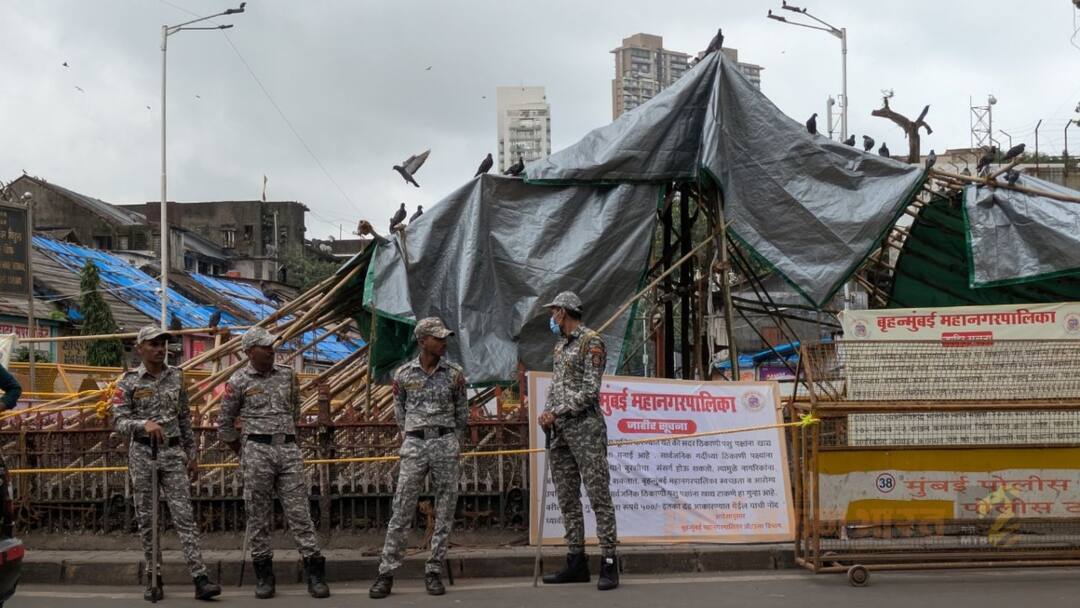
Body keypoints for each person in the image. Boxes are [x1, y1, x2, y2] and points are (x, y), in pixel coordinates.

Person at [218, 326, 330, 600]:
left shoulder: (288, 376)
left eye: (272, 345)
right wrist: (245, 451)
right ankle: (264, 577)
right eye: (264, 346)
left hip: (287, 448)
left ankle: (315, 574)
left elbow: (295, 411)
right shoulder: (239, 381)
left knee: (300, 513)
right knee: (258, 516)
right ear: (249, 352)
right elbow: (224, 424)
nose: (271, 350)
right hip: (257, 449)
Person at [113, 325, 221, 602]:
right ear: (140, 348)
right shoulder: (127, 382)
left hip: (173, 454)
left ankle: (200, 578)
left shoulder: (176, 377)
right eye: (153, 344)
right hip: (143, 454)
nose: (160, 349)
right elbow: (118, 421)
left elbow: (184, 418)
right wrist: (142, 424)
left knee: (185, 517)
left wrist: (192, 454)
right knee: (148, 520)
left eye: (163, 344)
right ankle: (153, 578)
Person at [369, 317, 468, 599]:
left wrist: (452, 440)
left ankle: (434, 569)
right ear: (422, 341)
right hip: (414, 443)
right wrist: (412, 436)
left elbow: (462, 413)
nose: (444, 342)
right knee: (401, 509)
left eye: (445, 337)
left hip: (445, 442)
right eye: (438, 338)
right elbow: (399, 413)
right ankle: (386, 572)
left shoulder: (455, 374)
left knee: (446, 509)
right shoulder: (403, 375)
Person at [538, 291, 619, 591]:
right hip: (560, 432)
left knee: (599, 496)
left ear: (563, 312)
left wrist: (556, 411)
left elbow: (590, 391)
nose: (551, 317)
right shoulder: (560, 347)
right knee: (567, 498)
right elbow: (557, 388)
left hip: (585, 430)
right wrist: (547, 412)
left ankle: (609, 561)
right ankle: (576, 560)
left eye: (553, 312)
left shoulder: (591, 342)